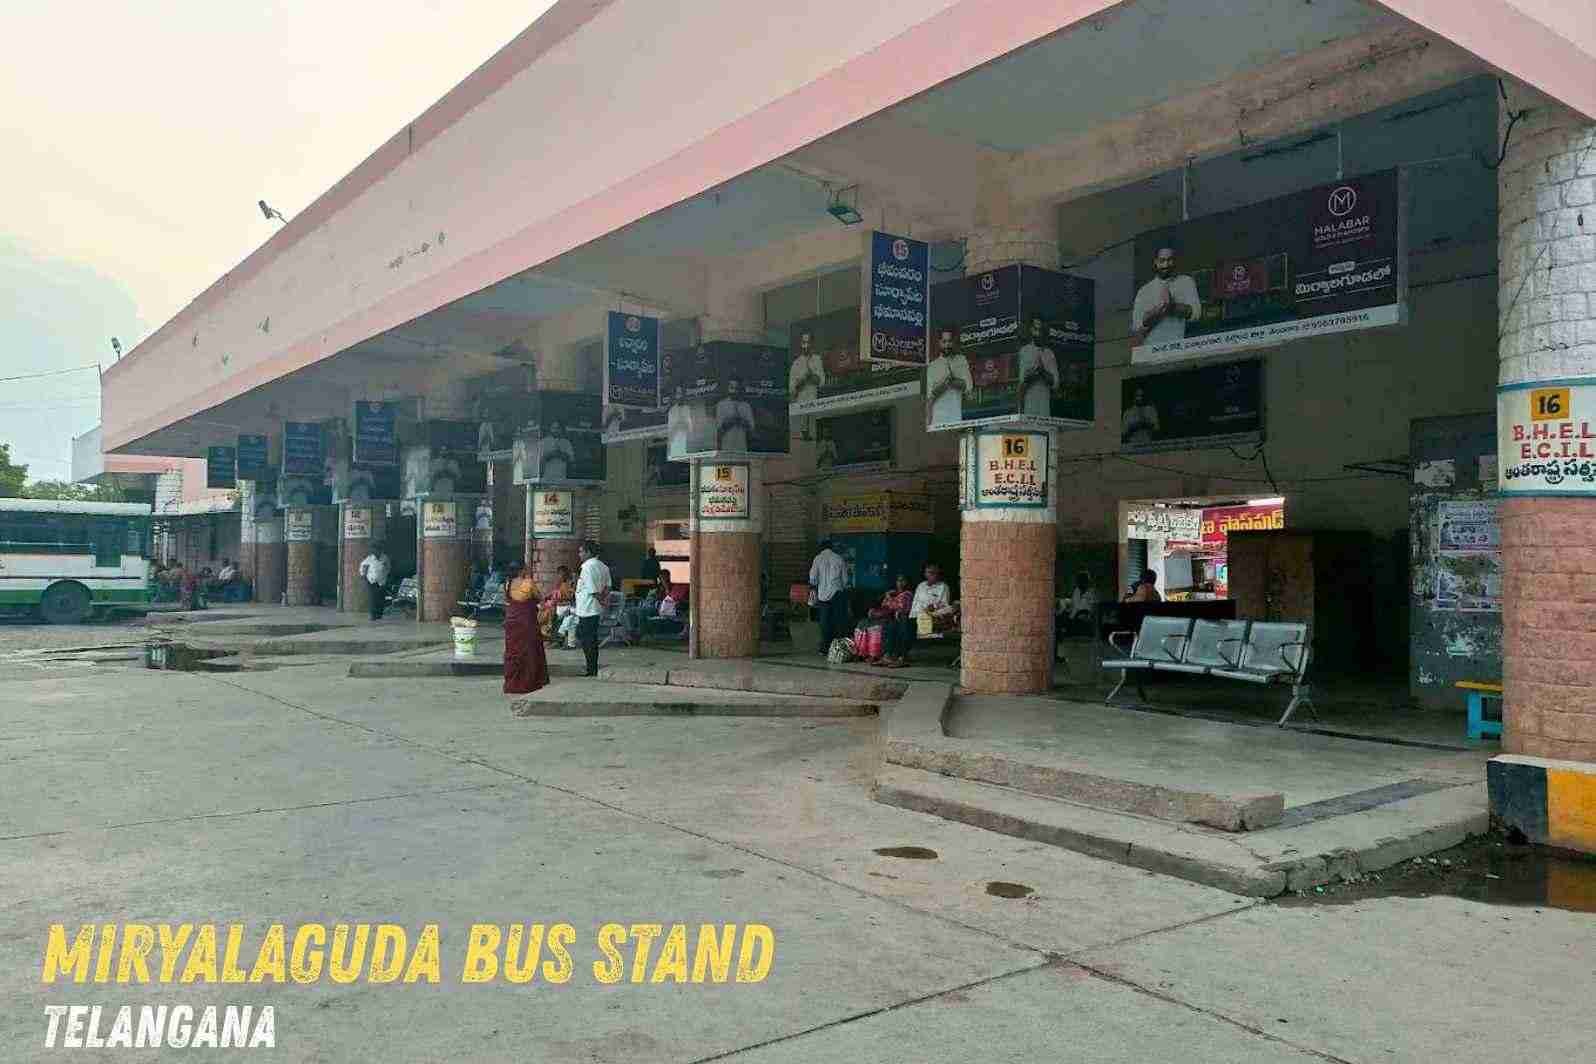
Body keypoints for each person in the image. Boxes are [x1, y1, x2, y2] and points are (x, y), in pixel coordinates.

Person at [879, 563, 951, 668]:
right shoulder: (921, 586)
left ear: (938, 574)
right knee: (890, 623)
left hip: (930, 617)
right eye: (929, 572)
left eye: (934, 573)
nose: (931, 575)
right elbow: (914, 604)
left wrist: (934, 607)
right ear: (925, 574)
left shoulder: (943, 587)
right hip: (915, 616)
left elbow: (945, 605)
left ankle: (903, 657)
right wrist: (903, 613)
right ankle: (888, 655)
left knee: (905, 624)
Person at [1131, 245, 1202, 348]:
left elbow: (1196, 313)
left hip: (1178, 346)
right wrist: (1157, 311)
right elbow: (1137, 326)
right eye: (1162, 260)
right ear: (1155, 262)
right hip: (1151, 348)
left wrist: (1172, 307)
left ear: (1175, 261)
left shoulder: (1186, 281)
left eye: (1170, 260)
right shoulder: (1144, 291)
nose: (1166, 264)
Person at [574, 539, 612, 677]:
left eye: (581, 552)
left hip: (587, 608)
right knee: (590, 638)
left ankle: (591, 669)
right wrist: (603, 601)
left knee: (587, 639)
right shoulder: (603, 566)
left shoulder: (587, 567)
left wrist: (601, 600)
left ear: (589, 552)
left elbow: (592, 590)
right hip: (594, 608)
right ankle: (592, 667)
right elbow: (608, 586)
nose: (579, 554)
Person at [808, 539, 850, 658]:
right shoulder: (839, 558)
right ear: (831, 547)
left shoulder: (817, 559)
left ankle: (824, 649)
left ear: (821, 548)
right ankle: (838, 649)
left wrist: (817, 584)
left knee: (825, 622)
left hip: (822, 596)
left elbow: (813, 578)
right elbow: (845, 580)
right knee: (838, 621)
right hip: (837, 594)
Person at [926, 328, 973, 427]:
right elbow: (930, 395)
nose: (947, 345)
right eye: (944, 342)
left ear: (953, 342)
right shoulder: (932, 366)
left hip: (956, 417)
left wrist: (951, 381)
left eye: (949, 341)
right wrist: (945, 382)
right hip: (938, 419)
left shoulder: (961, 360)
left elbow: (968, 386)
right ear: (939, 343)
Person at [1016, 314, 1060, 417]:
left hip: (1045, 406)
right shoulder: (1025, 351)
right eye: (1035, 329)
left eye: (1041, 329)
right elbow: (1023, 380)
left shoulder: (1049, 353)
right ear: (1031, 330)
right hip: (1029, 406)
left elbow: (1055, 383)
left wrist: (1041, 372)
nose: (1038, 332)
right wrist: (1037, 372)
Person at [1056, 571, 1098, 655]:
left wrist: (1088, 615)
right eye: (1079, 581)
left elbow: (1094, 608)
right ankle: (1059, 646)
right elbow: (1073, 604)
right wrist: (1066, 606)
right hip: (1073, 616)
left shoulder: (1092, 592)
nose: (1080, 583)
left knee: (1068, 622)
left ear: (1086, 581)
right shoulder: (1076, 590)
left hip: (1085, 616)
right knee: (1058, 618)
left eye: (1083, 580)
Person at [715, 378, 755, 453]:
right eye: (732, 387)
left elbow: (752, 429)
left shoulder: (746, 406)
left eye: (737, 388)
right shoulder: (721, 405)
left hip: (742, 447)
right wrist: (730, 421)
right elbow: (719, 429)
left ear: (740, 389)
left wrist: (741, 421)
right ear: (727, 388)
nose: (734, 391)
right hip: (726, 447)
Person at [788, 329, 827, 404]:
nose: (806, 345)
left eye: (808, 342)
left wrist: (811, 376)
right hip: (799, 403)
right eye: (804, 342)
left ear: (812, 343)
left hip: (814, 401)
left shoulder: (817, 359)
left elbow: (822, 382)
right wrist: (801, 382)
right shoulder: (796, 363)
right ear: (800, 344)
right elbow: (791, 391)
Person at [359, 542, 392, 621]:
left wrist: (385, 576)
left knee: (380, 598)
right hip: (371, 581)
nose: (375, 552)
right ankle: (373, 615)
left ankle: (379, 614)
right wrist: (364, 577)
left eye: (377, 550)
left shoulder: (385, 558)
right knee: (372, 598)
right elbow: (363, 567)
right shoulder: (370, 558)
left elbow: (388, 568)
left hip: (382, 581)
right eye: (374, 550)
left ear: (380, 550)